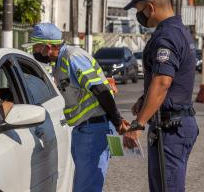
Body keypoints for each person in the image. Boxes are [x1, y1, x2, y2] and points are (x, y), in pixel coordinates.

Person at [25, 23, 133, 192]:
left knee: (86, 188)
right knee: (85, 185)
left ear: (47, 47)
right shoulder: (60, 62)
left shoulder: (73, 58)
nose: (34, 52)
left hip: (94, 129)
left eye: (36, 47)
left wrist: (117, 120)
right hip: (85, 130)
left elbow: (101, 90)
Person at [123, 0, 199, 191]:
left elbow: (163, 82)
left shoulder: (167, 36)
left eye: (139, 11)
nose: (139, 17)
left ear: (150, 8)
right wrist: (144, 100)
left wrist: (137, 125)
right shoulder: (178, 30)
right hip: (173, 124)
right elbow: (172, 78)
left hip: (170, 128)